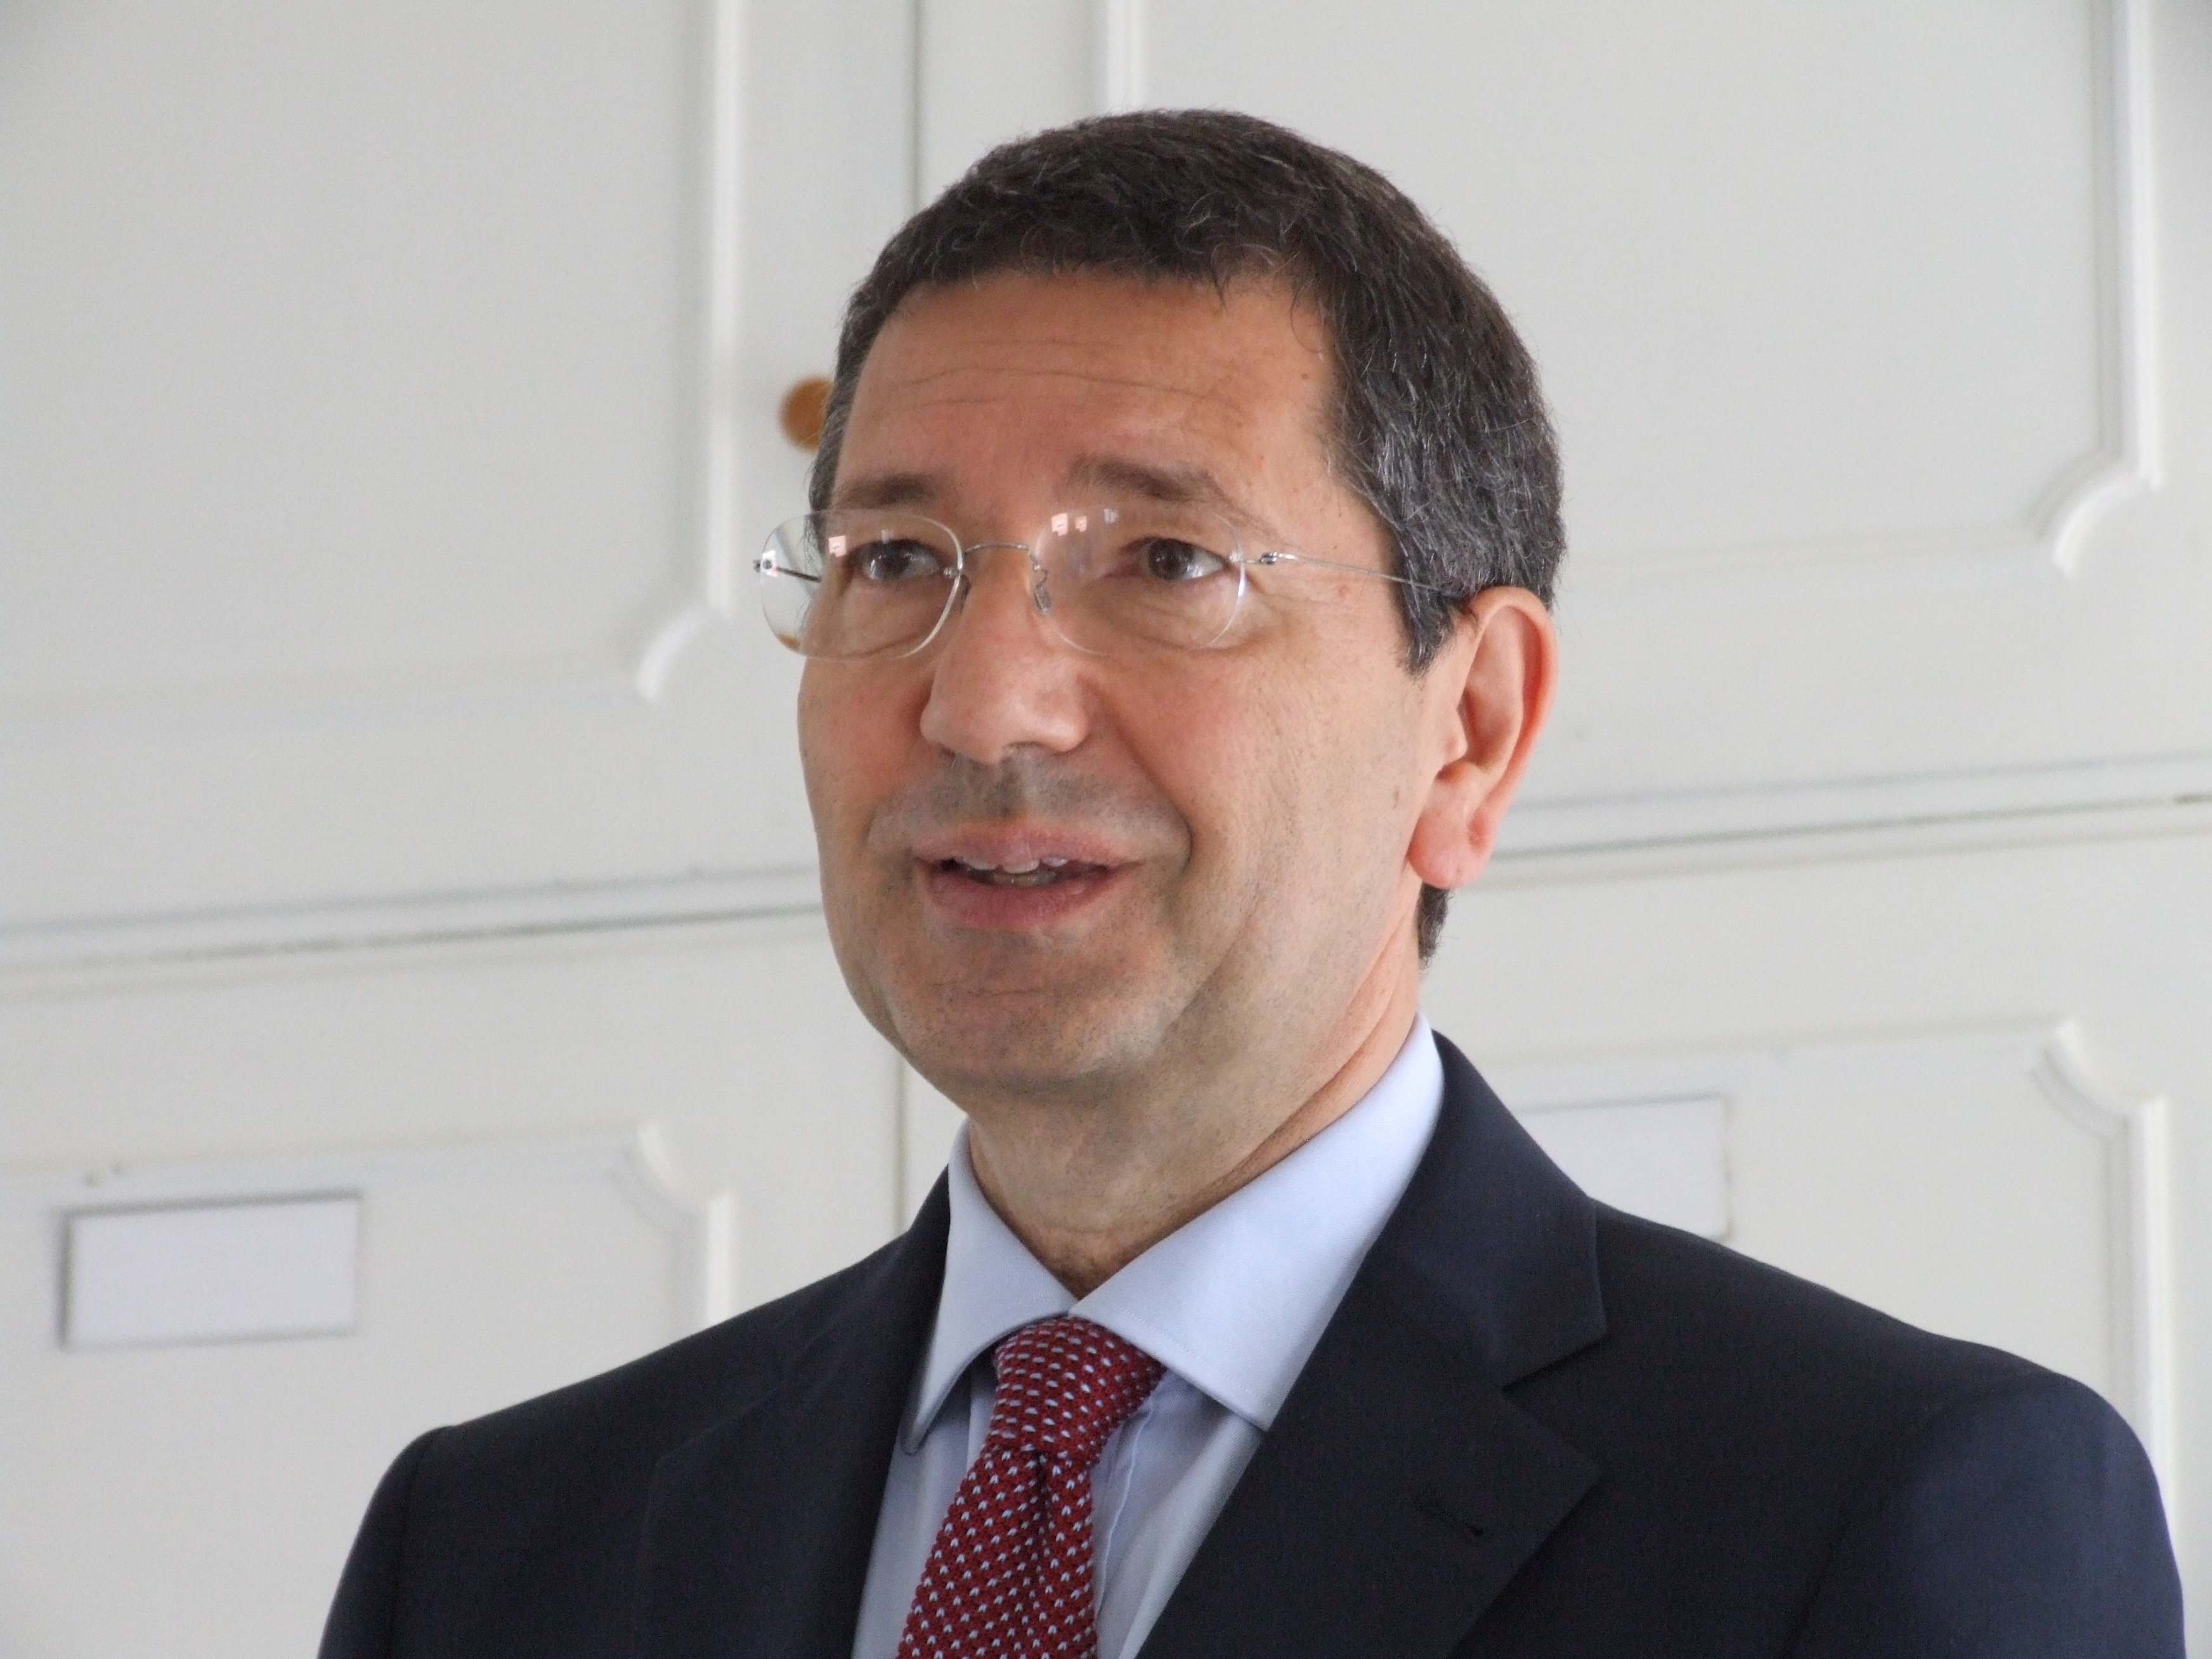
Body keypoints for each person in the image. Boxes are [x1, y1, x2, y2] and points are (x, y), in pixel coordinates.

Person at [320, 110, 2183, 1659]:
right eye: (895, 559)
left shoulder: (1886, 1513)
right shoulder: (491, 1559)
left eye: (1165, 559)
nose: (982, 701)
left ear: (1469, 730)